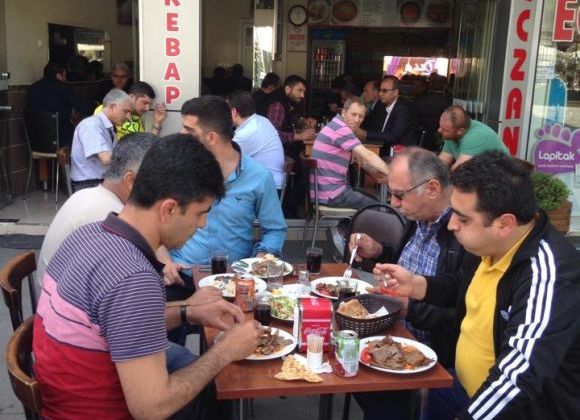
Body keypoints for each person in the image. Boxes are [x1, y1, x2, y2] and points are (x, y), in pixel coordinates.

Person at [33, 134, 261, 419]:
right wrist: (225, 350)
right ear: (169, 209)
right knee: (219, 384)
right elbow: (151, 407)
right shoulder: (133, 277)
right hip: (94, 411)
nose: (202, 225)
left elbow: (118, 323)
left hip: (65, 395)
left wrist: (189, 312)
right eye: (200, 213)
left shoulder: (89, 234)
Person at [376, 151, 580, 419]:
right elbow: (464, 284)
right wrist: (417, 285)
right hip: (460, 386)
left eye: (463, 219)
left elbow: (518, 376)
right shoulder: (492, 243)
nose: (451, 225)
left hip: (511, 409)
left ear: (504, 224)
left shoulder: (547, 276)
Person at [350, 147, 469, 420]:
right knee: (340, 351)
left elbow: (462, 313)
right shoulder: (420, 217)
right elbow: (409, 267)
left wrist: (409, 308)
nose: (393, 203)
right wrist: (378, 251)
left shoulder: (464, 232)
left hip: (429, 353)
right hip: (393, 330)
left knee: (371, 389)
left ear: (433, 189)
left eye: (399, 195)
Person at [160, 95, 287, 287]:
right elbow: (153, 220)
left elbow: (275, 229)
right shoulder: (178, 170)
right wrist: (165, 262)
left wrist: (261, 258)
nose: (181, 134)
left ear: (211, 138)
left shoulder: (259, 176)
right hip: (181, 275)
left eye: (189, 130)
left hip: (234, 279)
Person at [36, 133, 157, 288]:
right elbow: (127, 287)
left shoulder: (87, 195)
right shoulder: (113, 218)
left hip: (53, 293)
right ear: (130, 181)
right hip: (59, 299)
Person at [311, 97, 388, 210]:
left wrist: (379, 172)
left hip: (326, 191)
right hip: (332, 194)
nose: (357, 120)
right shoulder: (340, 129)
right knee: (380, 208)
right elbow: (368, 156)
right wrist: (393, 175)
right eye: (353, 114)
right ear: (343, 112)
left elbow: (362, 160)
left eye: (360, 116)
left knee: (373, 201)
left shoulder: (335, 125)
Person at [265, 75, 315, 217]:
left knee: (304, 166)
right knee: (307, 170)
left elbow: (287, 122)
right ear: (287, 89)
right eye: (299, 90)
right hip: (275, 155)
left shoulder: (285, 103)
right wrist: (299, 136)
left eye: (304, 92)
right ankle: (288, 209)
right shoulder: (278, 105)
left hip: (282, 151)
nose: (302, 95)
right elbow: (272, 133)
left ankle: (289, 206)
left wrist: (302, 122)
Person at [70, 89, 132, 192]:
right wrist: (133, 160)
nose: (129, 117)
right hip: (89, 185)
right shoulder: (91, 125)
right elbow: (106, 159)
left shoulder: (107, 126)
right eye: (126, 111)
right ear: (112, 107)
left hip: (99, 181)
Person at [227, 90, 285, 191]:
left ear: (233, 112)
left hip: (267, 189)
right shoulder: (261, 120)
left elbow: (226, 163)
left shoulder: (246, 133)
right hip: (270, 184)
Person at [27, 61, 88, 148]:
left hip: (35, 139)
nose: (66, 78)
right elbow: (82, 106)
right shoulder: (63, 87)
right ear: (58, 75)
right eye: (65, 75)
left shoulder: (33, 88)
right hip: (61, 139)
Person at [351, 75, 419, 153]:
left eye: (384, 91)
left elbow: (393, 137)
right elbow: (375, 128)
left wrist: (366, 134)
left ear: (395, 92)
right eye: (380, 90)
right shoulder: (382, 106)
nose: (380, 94)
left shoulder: (404, 109)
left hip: (401, 152)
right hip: (383, 147)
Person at [438, 105, 508, 170]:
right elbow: (443, 161)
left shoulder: (475, 137)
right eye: (440, 126)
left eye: (445, 130)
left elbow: (459, 169)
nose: (439, 130)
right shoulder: (453, 133)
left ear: (460, 131)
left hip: (502, 175)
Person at [94, 81, 167, 140]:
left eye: (149, 104)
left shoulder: (136, 119)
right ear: (132, 97)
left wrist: (157, 122)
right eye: (144, 103)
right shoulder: (105, 109)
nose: (147, 108)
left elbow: (145, 148)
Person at [412, 75, 452, 152]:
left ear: (429, 85)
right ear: (445, 86)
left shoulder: (419, 100)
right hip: (441, 139)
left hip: (421, 137)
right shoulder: (449, 102)